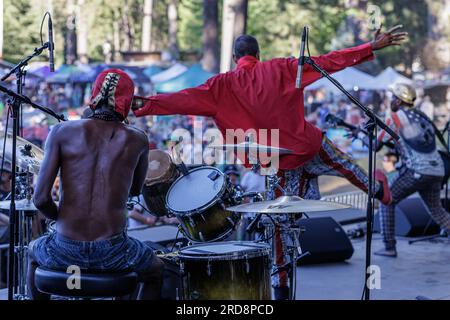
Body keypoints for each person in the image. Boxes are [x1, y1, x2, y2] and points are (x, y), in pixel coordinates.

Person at [132, 26, 407, 299]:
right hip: (309, 145)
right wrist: (370, 47)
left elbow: (180, 100)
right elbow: (328, 62)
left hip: (279, 163)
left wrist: (144, 105)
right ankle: (377, 190)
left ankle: (281, 286)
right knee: (344, 164)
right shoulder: (283, 68)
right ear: (258, 54)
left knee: (277, 224)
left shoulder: (220, 86)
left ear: (233, 58)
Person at [27, 69, 164, 300]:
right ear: (127, 101)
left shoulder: (61, 131)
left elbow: (40, 199)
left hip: (64, 247)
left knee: (33, 251)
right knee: (157, 269)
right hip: (113, 251)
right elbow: (134, 191)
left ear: (94, 95)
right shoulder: (138, 139)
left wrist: (58, 218)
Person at [375, 83, 450, 257]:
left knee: (387, 199)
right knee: (438, 211)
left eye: (393, 97)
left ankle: (389, 247)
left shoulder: (395, 117)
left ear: (399, 100)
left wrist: (362, 134)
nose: (390, 101)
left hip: (417, 170)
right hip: (436, 170)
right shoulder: (422, 115)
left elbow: (375, 145)